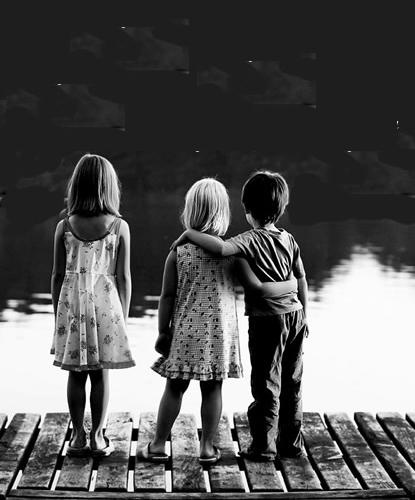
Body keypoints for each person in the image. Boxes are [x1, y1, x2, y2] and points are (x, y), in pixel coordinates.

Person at [137, 178, 296, 464]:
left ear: (190, 211)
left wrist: (163, 331)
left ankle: (159, 445)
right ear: (223, 213)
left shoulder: (178, 252)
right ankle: (207, 448)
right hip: (218, 336)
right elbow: (254, 286)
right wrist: (290, 288)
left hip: (185, 333)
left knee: (175, 387)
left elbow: (166, 297)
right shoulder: (233, 254)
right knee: (212, 389)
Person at [51, 153, 135, 457]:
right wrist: (122, 319)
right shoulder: (119, 227)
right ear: (109, 187)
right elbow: (123, 278)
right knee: (101, 373)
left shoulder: (65, 226)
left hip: (72, 308)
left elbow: (58, 276)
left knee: (75, 372)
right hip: (106, 310)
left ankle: (76, 436)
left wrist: (56, 313)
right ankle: (98, 437)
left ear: (77, 186)